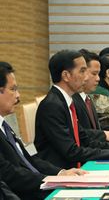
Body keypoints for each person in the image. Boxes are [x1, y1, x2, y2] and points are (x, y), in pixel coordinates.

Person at [35, 50, 109, 169]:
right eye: (82, 71)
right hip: (63, 173)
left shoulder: (66, 100)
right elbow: (71, 151)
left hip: (78, 167)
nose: (86, 76)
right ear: (66, 76)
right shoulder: (52, 105)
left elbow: (85, 140)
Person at [0, 61, 85, 199]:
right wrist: (51, 180)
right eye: (13, 89)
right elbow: (9, 174)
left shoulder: (4, 125)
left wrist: (60, 174)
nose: (18, 96)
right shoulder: (52, 105)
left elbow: (28, 160)